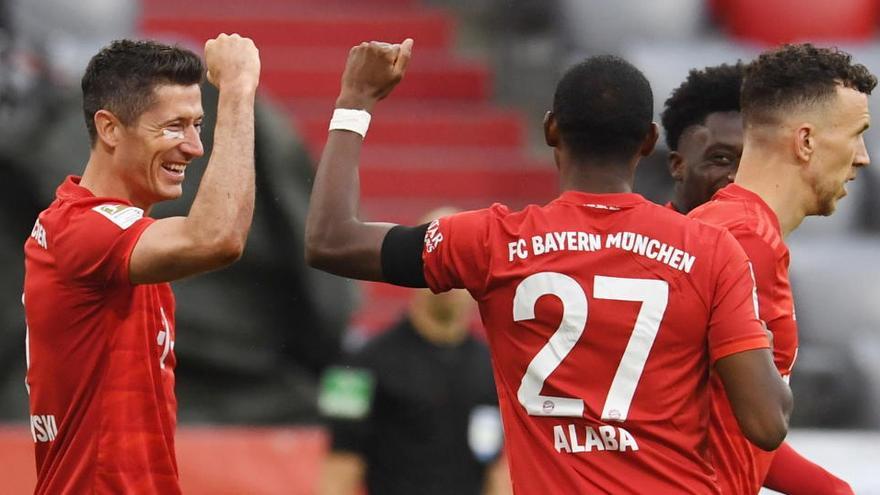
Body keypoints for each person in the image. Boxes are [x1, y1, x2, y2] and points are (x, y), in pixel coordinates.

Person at [305, 40, 792, 493]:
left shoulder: (492, 242)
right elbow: (767, 424)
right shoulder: (713, 252)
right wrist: (770, 341)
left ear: (551, 129)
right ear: (649, 141)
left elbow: (331, 240)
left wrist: (356, 100)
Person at [22, 35, 260, 494]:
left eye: (198, 125)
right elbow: (217, 238)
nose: (194, 147)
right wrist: (237, 89)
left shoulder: (115, 238)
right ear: (110, 129)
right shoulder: (83, 229)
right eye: (174, 126)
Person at [689, 43, 874, 495]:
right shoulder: (745, 244)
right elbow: (753, 423)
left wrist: (829, 490)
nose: (864, 157)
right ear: (806, 141)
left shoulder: (721, 226)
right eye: (856, 134)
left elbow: (727, 423)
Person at [317, 208, 509, 494]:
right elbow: (338, 471)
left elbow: (498, 472)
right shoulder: (358, 365)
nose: (453, 274)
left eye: (464, 260)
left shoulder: (496, 367)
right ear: (418, 263)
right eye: (443, 257)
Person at [660, 62, 744, 214]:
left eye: (750, 163)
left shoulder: (767, 237)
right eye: (722, 158)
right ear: (677, 165)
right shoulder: (643, 234)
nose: (737, 177)